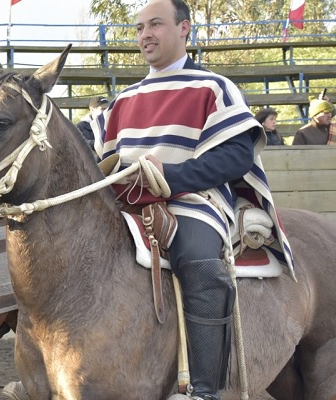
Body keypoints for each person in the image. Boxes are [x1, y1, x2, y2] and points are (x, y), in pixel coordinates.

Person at [92, 1, 294, 399]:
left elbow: (237, 155)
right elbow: (98, 157)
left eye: (155, 25)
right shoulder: (122, 99)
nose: (145, 34)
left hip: (193, 202)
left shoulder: (214, 87)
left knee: (199, 261)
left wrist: (173, 177)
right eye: (139, 28)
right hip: (125, 204)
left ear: (184, 29)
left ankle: (205, 388)